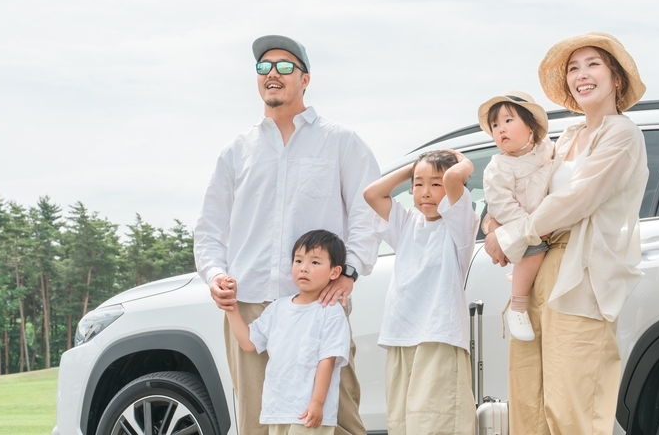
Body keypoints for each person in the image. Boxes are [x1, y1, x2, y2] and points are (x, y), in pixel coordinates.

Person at [194, 34, 381, 435]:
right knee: (257, 422)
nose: (272, 74)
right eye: (263, 67)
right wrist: (214, 277)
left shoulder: (340, 141)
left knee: (337, 417)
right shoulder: (236, 150)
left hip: (320, 305)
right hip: (249, 306)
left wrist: (349, 271)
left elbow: (370, 211)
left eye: (283, 66)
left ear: (305, 79)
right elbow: (209, 230)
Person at [483, 32, 649, 434]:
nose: (581, 74)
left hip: (583, 275)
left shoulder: (622, 135)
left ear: (616, 79)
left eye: (592, 64)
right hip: (541, 268)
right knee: (529, 398)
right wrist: (493, 221)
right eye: (573, 68)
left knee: (572, 404)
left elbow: (576, 199)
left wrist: (510, 236)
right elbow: (531, 187)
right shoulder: (570, 135)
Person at [363, 149, 479, 435]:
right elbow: (372, 194)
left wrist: (464, 163)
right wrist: (415, 169)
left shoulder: (459, 226)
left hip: (439, 335)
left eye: (436, 184)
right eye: (418, 184)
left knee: (435, 421)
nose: (426, 192)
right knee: (402, 423)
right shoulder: (406, 223)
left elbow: (454, 177)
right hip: (401, 335)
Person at [224, 230, 351, 435]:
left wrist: (317, 403)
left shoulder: (331, 312)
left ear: (334, 272)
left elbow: (327, 361)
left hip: (309, 414)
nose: (304, 268)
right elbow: (249, 343)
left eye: (315, 262)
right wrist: (230, 307)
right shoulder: (277, 309)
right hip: (277, 411)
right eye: (298, 260)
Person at [477, 91, 554, 341]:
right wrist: (530, 228)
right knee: (532, 248)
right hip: (524, 225)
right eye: (495, 125)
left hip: (547, 225)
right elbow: (501, 205)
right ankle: (517, 306)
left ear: (531, 124)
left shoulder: (550, 150)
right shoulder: (498, 167)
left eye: (508, 121)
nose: (501, 129)